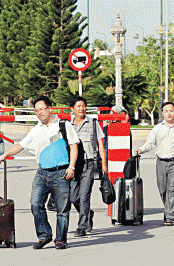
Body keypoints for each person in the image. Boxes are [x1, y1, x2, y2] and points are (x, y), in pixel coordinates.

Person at [0, 96, 79, 250]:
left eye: (42, 109)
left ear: (50, 109)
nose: (39, 113)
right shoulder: (36, 129)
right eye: (37, 110)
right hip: (42, 173)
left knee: (62, 209)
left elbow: (74, 146)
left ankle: (60, 239)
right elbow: (20, 145)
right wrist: (4, 155)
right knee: (36, 204)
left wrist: (72, 167)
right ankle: (44, 235)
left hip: (61, 172)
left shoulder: (63, 125)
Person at [137, 102, 174, 226]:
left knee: (172, 189)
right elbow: (150, 143)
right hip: (161, 162)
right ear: (162, 113)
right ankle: (173, 210)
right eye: (166, 111)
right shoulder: (157, 128)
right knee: (162, 189)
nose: (169, 113)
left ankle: (169, 216)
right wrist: (141, 149)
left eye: (171, 111)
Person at [69, 96, 107, 237]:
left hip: (88, 164)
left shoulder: (93, 122)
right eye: (78, 106)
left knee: (84, 196)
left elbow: (100, 145)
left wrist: (104, 163)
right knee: (73, 197)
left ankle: (82, 226)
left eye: (83, 106)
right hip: (73, 165)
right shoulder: (68, 125)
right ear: (72, 109)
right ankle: (88, 213)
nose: (81, 109)